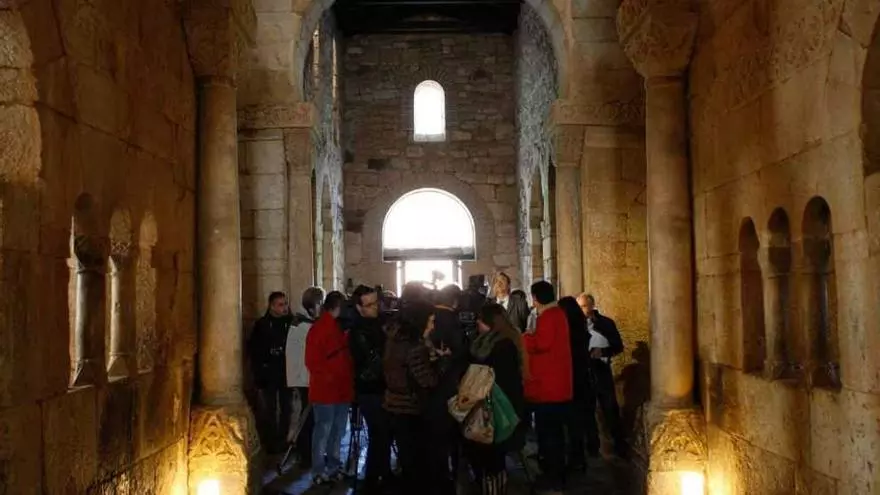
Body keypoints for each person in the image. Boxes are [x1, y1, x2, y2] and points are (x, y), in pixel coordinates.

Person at [383, 300, 446, 493]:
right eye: (431, 321)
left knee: (407, 459)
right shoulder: (414, 347)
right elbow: (426, 380)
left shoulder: (395, 339)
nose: (432, 326)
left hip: (394, 403)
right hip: (411, 406)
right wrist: (441, 366)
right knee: (417, 462)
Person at [465, 303, 528, 494]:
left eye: (480, 319)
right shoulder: (501, 339)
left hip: (499, 408)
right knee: (490, 455)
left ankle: (493, 489)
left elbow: (498, 378)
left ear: (489, 322)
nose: (477, 322)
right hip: (498, 405)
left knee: (491, 456)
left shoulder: (501, 345)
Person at [523, 281, 572, 491]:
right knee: (554, 433)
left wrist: (526, 338)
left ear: (535, 298)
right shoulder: (557, 314)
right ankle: (555, 473)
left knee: (549, 434)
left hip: (549, 387)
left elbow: (542, 343)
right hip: (556, 384)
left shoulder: (549, 316)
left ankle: (553, 475)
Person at [305, 291, 354, 485]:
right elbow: (312, 362)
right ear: (338, 308)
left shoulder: (336, 327)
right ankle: (319, 470)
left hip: (339, 389)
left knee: (336, 431)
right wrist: (332, 377)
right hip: (327, 390)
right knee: (324, 431)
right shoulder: (320, 329)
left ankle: (333, 467)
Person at [348, 285, 394, 493]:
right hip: (369, 390)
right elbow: (371, 361)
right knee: (379, 433)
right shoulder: (358, 331)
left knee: (385, 434)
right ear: (359, 308)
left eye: (377, 302)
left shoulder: (380, 323)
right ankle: (372, 480)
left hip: (382, 387)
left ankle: (383, 473)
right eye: (370, 304)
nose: (376, 307)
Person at [576, 293, 627, 458]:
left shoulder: (606, 323)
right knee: (587, 411)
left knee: (610, 408)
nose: (581, 310)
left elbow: (618, 346)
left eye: (584, 306)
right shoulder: (575, 325)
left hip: (601, 370)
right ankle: (592, 448)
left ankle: (619, 445)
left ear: (592, 306)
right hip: (584, 371)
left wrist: (603, 352)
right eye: (579, 307)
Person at [248, 291, 293, 454]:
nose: (284, 307)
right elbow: (254, 351)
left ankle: (283, 439)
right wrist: (260, 373)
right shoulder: (262, 325)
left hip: (287, 373)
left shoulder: (291, 323)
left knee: (287, 408)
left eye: (285, 304)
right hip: (269, 374)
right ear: (272, 306)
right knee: (270, 409)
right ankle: (271, 442)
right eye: (280, 304)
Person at [285, 287, 324, 468]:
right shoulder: (304, 326)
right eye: (321, 303)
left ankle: (307, 453)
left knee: (308, 417)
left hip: (304, 377)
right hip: (306, 378)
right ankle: (306, 454)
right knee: (308, 419)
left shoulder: (301, 323)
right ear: (315, 304)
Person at [557, 296, 592, 471]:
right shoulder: (580, 329)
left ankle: (574, 458)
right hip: (580, 379)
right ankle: (577, 457)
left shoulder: (569, 333)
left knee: (571, 421)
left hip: (571, 380)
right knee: (576, 422)